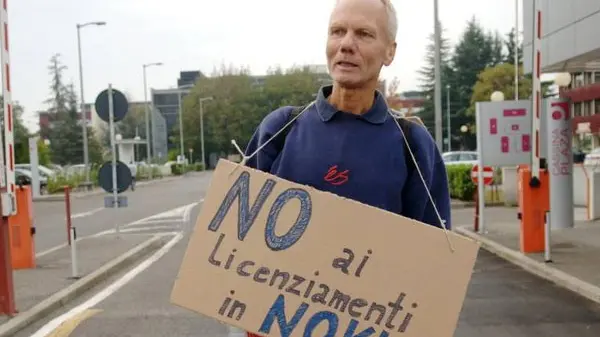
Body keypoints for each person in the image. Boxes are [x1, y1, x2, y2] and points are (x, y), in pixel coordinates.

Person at [244, 0, 450, 230]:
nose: (346, 44)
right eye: (337, 31)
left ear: (390, 52)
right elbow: (236, 229)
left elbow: (434, 256)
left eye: (363, 34)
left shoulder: (414, 144)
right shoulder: (280, 129)